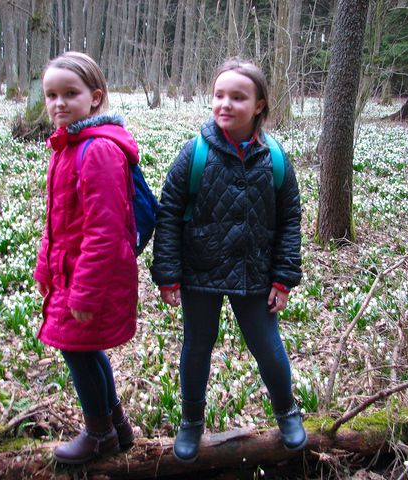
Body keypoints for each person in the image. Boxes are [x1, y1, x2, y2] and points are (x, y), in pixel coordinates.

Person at [150, 58, 307, 463]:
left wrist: (284, 278)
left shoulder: (275, 158)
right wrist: (167, 273)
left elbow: (289, 219)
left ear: (259, 105)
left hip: (255, 272)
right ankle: (191, 421)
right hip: (200, 269)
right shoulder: (195, 153)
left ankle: (287, 411)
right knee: (197, 346)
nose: (225, 104)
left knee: (267, 346)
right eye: (219, 95)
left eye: (238, 97)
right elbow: (169, 212)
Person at [34, 51, 138, 465]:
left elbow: (105, 231)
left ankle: (99, 435)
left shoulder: (97, 151)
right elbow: (58, 220)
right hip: (69, 272)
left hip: (90, 278)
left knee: (77, 349)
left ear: (95, 97)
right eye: (51, 95)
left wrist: (85, 293)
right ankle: (117, 426)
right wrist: (45, 267)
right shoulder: (67, 145)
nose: (59, 103)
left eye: (70, 93)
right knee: (84, 348)